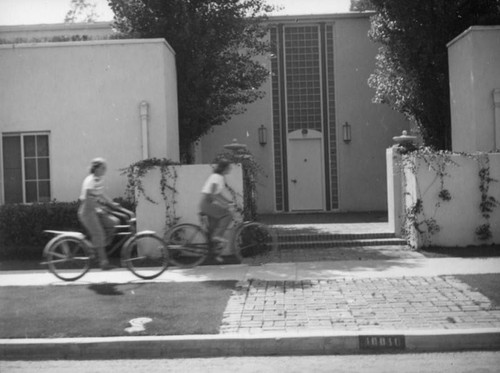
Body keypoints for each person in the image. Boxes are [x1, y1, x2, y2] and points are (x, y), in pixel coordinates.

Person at [78, 158, 124, 270]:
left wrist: (112, 204)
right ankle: (103, 262)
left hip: (95, 210)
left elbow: (101, 194)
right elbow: (88, 199)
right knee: (99, 234)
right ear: (97, 168)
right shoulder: (90, 180)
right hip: (87, 211)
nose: (105, 170)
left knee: (114, 222)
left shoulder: (99, 179)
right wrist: (100, 207)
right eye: (103, 167)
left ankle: (98, 247)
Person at [199, 159, 235, 260]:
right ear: (224, 168)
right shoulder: (217, 177)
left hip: (207, 204)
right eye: (229, 167)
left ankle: (214, 253)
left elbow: (218, 194)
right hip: (207, 204)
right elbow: (213, 194)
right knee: (228, 215)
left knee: (213, 229)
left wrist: (229, 202)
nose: (230, 169)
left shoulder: (220, 177)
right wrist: (225, 205)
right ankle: (217, 236)